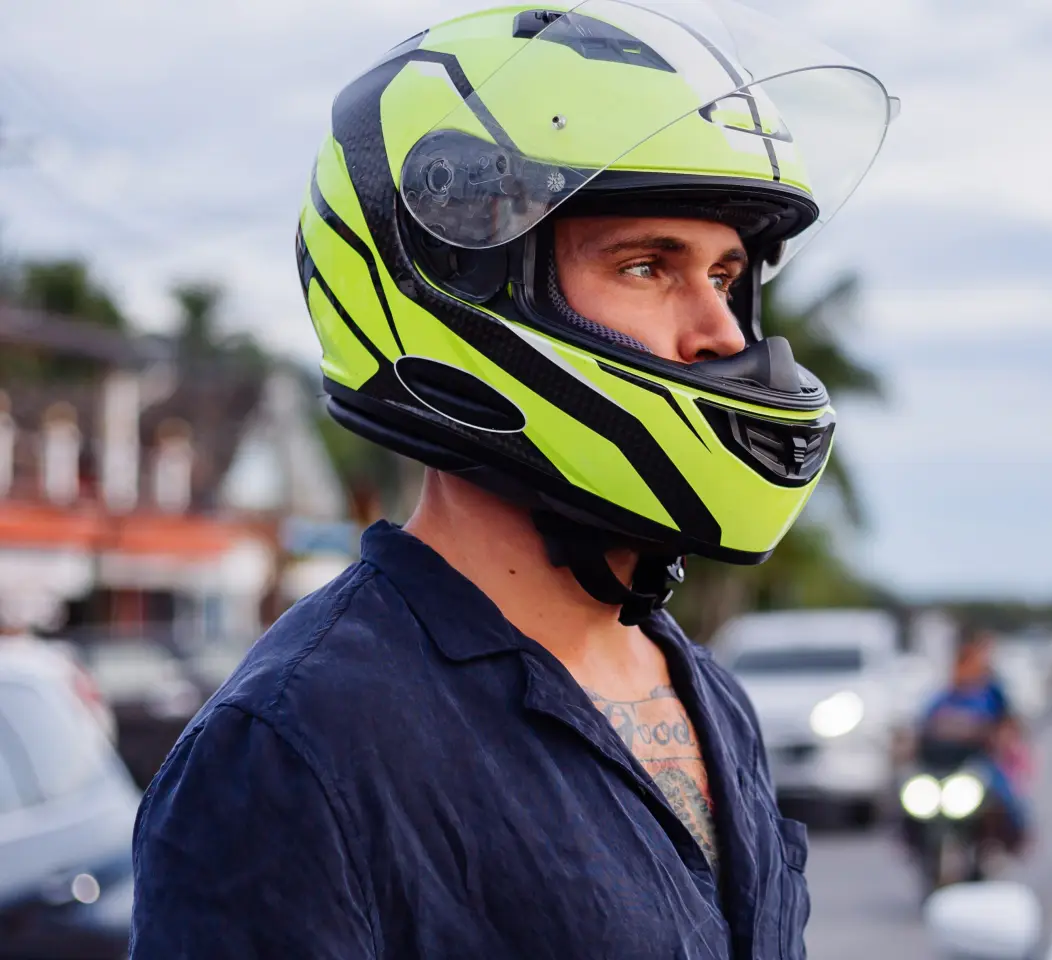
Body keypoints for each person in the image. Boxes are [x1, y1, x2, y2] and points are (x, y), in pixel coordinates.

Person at [129, 5, 895, 958]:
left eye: (728, 274)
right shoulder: (298, 749)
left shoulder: (707, 695)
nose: (726, 335)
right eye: (650, 266)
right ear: (463, 284)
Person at [917, 625, 1032, 850]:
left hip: (977, 764)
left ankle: (1014, 839)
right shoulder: (944, 695)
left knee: (1006, 796)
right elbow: (921, 725)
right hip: (941, 766)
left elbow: (1010, 725)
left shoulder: (992, 693)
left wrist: (997, 737)